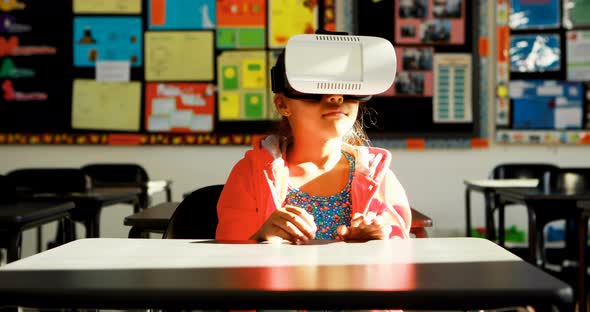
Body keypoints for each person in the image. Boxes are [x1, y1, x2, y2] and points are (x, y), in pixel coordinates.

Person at [216, 33, 412, 243]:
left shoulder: (379, 177)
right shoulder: (251, 174)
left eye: (347, 88)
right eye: (316, 89)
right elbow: (229, 256)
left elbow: (400, 254)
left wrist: (378, 242)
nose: (335, 97)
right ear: (283, 105)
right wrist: (262, 238)